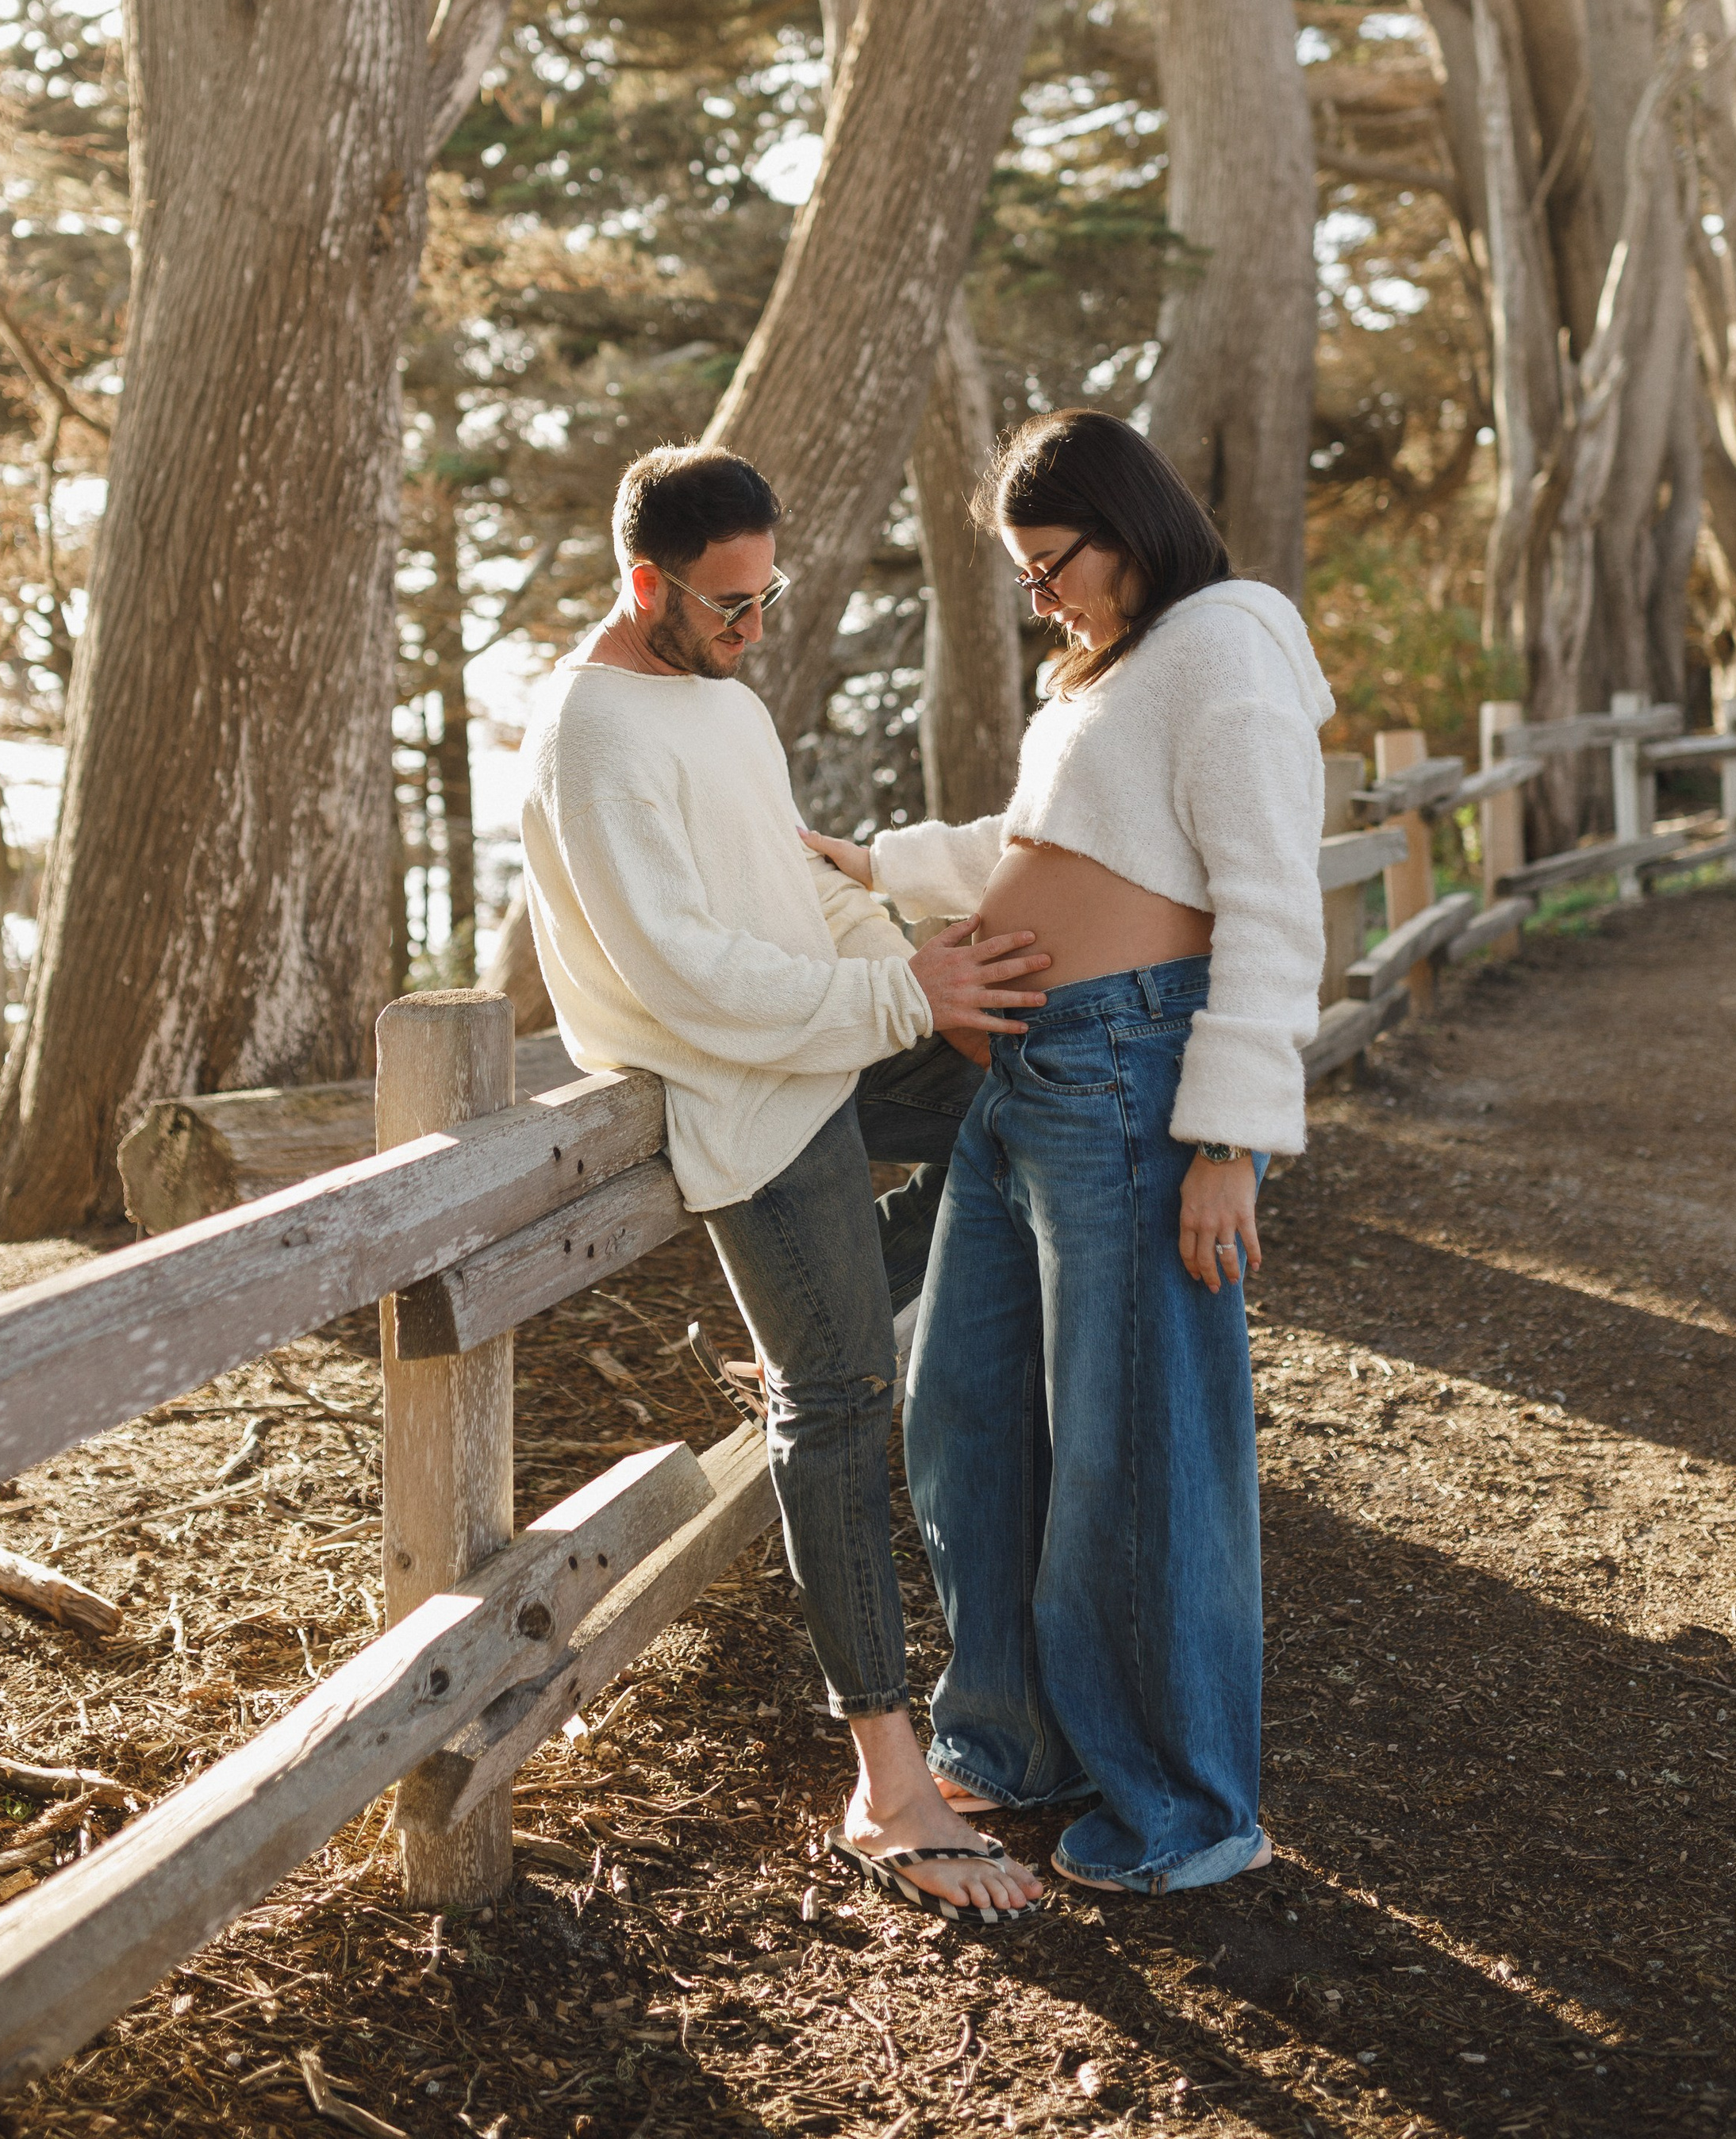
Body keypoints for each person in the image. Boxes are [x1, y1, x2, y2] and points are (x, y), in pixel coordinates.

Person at [516, 443, 1051, 1923]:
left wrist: (914, 972)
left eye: (769, 598)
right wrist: (896, 1004)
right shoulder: (589, 734)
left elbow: (796, 892)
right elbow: (684, 970)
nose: (757, 630)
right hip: (745, 1087)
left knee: (1041, 1072)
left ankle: (833, 1292)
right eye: (731, 605)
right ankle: (888, 1782)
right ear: (647, 585)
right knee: (834, 1403)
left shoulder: (724, 703)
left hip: (829, 1033)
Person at [804, 409, 1331, 1896]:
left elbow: (1275, 903)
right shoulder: (1119, 672)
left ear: (1127, 524)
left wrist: (1227, 1137)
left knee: (1136, 1452)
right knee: (961, 1412)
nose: (1041, 595)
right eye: (1025, 575)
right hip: (1025, 1089)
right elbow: (1047, 844)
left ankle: (1184, 1809)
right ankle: (1020, 1738)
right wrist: (882, 863)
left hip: (1133, 1085)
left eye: (1051, 564)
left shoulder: (1225, 643)